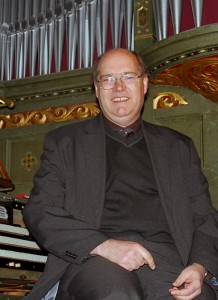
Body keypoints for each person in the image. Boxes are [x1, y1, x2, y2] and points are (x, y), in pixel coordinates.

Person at [23, 48, 218, 300]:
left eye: (128, 77)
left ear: (144, 84)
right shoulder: (65, 143)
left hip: (165, 260)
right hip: (94, 257)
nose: (118, 87)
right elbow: (40, 210)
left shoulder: (178, 147)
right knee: (118, 294)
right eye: (108, 79)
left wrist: (199, 266)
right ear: (96, 88)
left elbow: (204, 217)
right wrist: (103, 245)